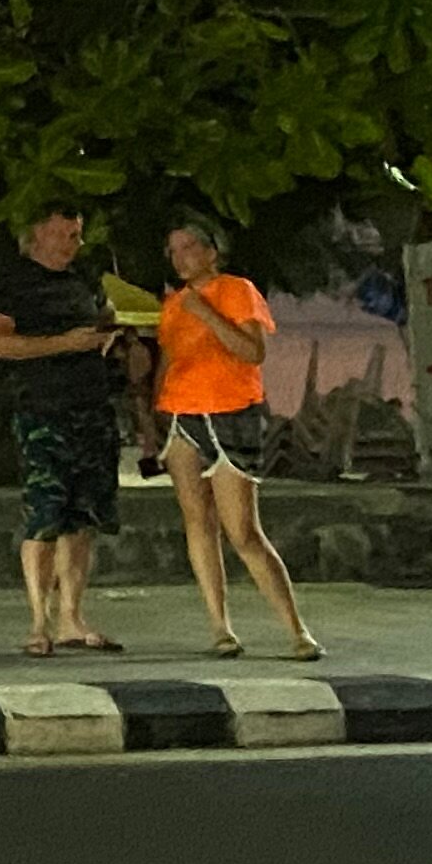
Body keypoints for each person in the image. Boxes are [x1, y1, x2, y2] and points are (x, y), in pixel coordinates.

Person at [156, 217, 323, 662]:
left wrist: (207, 314)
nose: (181, 256)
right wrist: (154, 412)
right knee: (197, 522)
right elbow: (168, 360)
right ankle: (219, 627)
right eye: (174, 250)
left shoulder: (237, 290)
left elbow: (252, 352)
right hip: (182, 412)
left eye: (189, 246)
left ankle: (295, 629)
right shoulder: (173, 305)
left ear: (212, 251)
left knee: (243, 530)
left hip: (232, 412)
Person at [0, 201, 124, 657]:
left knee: (83, 517)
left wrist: (108, 338)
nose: (74, 244)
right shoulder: (11, 281)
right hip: (42, 409)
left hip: (91, 407)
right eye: (66, 235)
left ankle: (71, 618)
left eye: (78, 235)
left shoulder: (85, 278)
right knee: (44, 512)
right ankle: (38, 621)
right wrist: (64, 343)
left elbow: (107, 317)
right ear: (39, 234)